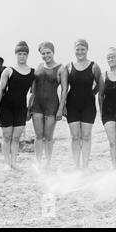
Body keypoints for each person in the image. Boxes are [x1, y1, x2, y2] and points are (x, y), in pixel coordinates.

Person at [0, 42, 35, 170]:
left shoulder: (32, 72)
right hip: (6, 107)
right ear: (16, 55)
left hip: (21, 108)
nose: (22, 56)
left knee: (16, 138)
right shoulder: (8, 70)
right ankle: (7, 163)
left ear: (27, 55)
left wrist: (30, 109)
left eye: (24, 54)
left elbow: (33, 93)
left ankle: (14, 162)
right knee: (7, 136)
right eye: (19, 54)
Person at [28, 42, 67, 170]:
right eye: (43, 53)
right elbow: (33, 89)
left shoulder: (61, 68)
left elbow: (64, 90)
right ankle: (38, 163)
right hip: (37, 105)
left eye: (48, 52)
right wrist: (29, 107)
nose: (46, 55)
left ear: (53, 52)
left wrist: (61, 109)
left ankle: (48, 163)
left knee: (48, 136)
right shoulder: (38, 67)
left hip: (52, 105)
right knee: (38, 136)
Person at [65, 39, 103, 170]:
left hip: (88, 105)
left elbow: (100, 84)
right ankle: (76, 166)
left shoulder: (94, 66)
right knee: (75, 137)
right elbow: (64, 87)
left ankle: (85, 166)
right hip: (72, 104)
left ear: (87, 50)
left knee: (86, 136)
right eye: (77, 49)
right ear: (74, 50)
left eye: (82, 49)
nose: (80, 52)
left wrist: (92, 93)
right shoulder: (69, 66)